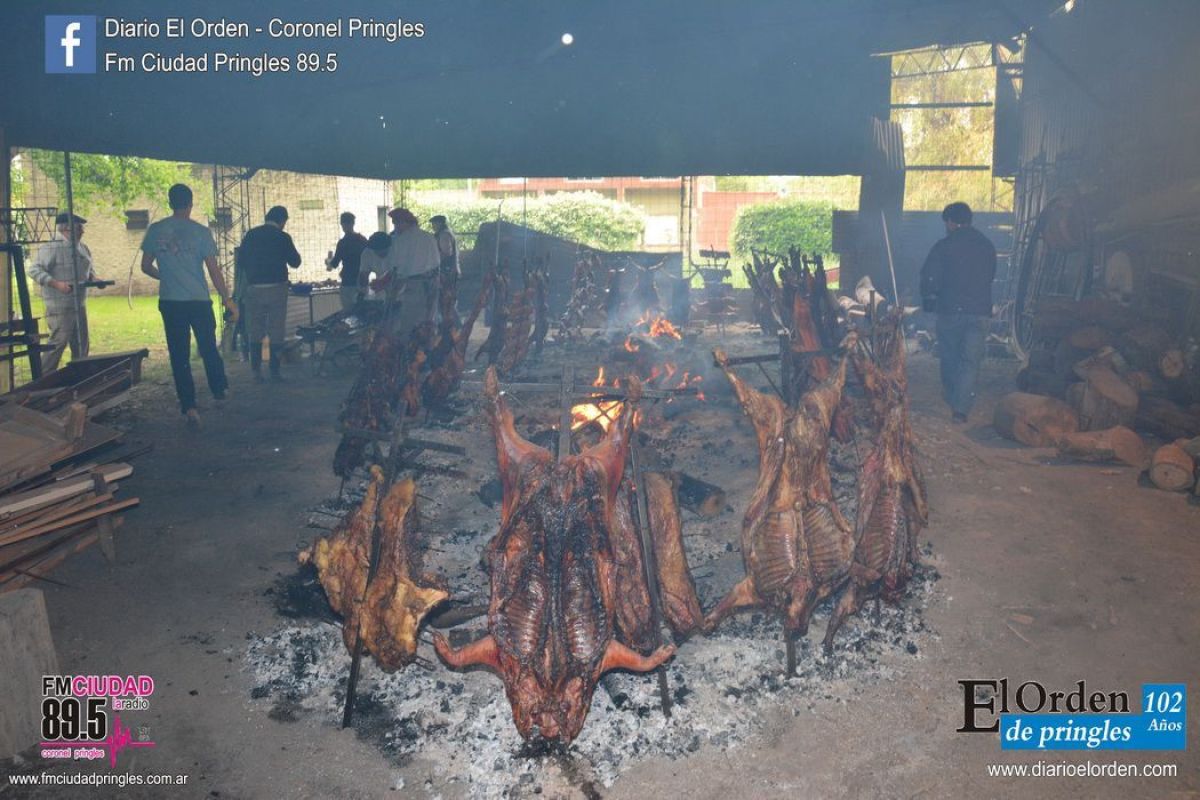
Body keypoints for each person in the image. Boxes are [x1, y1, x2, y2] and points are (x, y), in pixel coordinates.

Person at [140, 183, 237, 427]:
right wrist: (227, 298)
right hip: (198, 301)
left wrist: (165, 276)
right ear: (190, 203)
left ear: (170, 202)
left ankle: (189, 406)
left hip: (171, 302)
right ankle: (219, 389)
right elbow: (213, 270)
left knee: (179, 354)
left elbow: (145, 265)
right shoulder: (200, 232)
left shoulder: (156, 230)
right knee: (208, 347)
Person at [920, 201, 997, 423]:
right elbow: (991, 275)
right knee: (970, 361)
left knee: (950, 356)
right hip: (979, 311)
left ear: (951, 222)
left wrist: (929, 299)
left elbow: (930, 278)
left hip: (950, 311)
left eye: (947, 222)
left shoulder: (943, 246)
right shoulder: (986, 245)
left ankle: (954, 395)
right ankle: (961, 409)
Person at [28, 212, 100, 372]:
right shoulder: (52, 247)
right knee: (58, 342)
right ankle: (44, 377)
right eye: (79, 228)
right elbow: (34, 270)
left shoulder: (83, 247)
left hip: (79, 303)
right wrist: (56, 284)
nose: (83, 232)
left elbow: (89, 269)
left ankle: (80, 374)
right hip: (59, 305)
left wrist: (95, 279)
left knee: (81, 342)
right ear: (65, 229)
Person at [238, 206, 302, 381]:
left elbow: (241, 261)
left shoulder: (251, 235)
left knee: (256, 329)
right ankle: (274, 370)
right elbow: (295, 262)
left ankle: (256, 371)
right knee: (276, 329)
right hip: (277, 288)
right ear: (282, 220)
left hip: (254, 289)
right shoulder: (283, 237)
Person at [373, 208, 441, 334]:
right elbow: (437, 262)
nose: (395, 226)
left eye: (395, 223)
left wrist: (388, 288)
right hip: (433, 283)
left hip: (414, 285)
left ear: (404, 222)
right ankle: (429, 347)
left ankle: (408, 350)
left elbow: (396, 269)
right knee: (430, 319)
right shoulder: (429, 237)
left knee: (410, 323)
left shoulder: (400, 241)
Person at [325, 211, 368, 311]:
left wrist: (328, 262)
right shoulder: (362, 240)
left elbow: (334, 264)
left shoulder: (343, 243)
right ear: (353, 223)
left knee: (348, 310)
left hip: (348, 281)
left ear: (342, 225)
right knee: (361, 310)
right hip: (362, 280)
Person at [430, 214, 460, 325]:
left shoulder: (444, 235)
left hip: (448, 272)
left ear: (439, 223)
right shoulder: (444, 233)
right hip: (448, 271)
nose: (433, 226)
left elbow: (447, 253)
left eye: (434, 224)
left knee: (447, 300)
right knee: (446, 300)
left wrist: (434, 261)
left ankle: (455, 325)